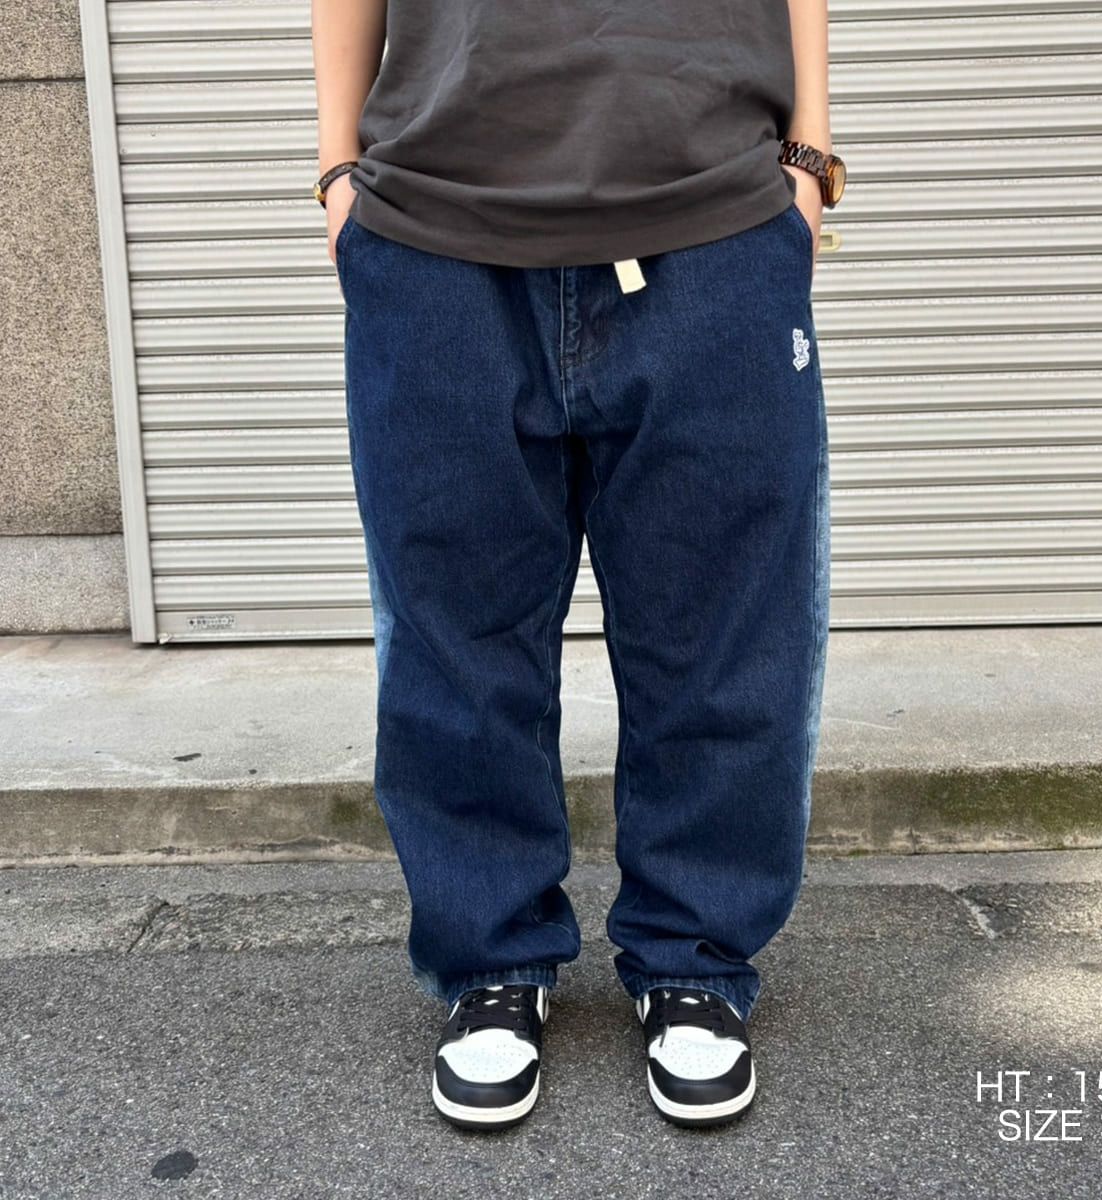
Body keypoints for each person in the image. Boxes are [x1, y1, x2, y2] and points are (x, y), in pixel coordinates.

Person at [311, 0, 843, 1131]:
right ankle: (490, 958)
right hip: (435, 234)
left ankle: (696, 957)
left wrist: (808, 155)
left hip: (714, 222)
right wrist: (337, 171)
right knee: (455, 643)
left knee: (723, 634)